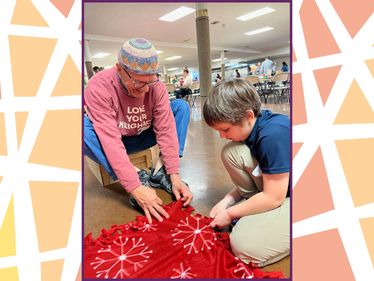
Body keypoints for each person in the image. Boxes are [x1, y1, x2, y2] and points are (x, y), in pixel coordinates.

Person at [84, 38, 193, 223]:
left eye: (150, 82)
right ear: (119, 69)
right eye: (138, 83)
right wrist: (135, 186)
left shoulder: (155, 86)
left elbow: (166, 130)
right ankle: (138, 175)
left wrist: (174, 175)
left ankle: (161, 171)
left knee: (180, 107)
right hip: (114, 140)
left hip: (144, 134)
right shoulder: (98, 86)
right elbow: (110, 140)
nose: (145, 90)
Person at [202, 78, 290, 267]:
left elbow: (274, 197)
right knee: (232, 152)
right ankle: (255, 209)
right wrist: (228, 200)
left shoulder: (272, 136)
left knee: (244, 246)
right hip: (280, 189)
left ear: (248, 116)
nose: (222, 136)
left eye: (225, 129)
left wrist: (230, 214)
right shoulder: (256, 127)